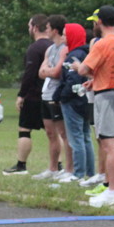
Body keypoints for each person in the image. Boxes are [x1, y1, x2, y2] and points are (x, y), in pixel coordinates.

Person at [71, 5, 114, 207]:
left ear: (99, 22)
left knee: (109, 145)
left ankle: (112, 190)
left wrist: (78, 67)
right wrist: (96, 80)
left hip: (106, 97)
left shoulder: (102, 43)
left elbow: (83, 69)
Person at [3, 15, 52, 175]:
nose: (29, 29)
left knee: (24, 129)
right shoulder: (54, 47)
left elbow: (30, 74)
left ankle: (21, 165)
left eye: (29, 26)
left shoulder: (34, 48)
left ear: (35, 27)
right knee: (53, 132)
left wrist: (21, 95)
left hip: (34, 96)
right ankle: (57, 165)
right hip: (51, 95)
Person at [34, 14, 74, 181]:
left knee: (64, 133)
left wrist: (49, 70)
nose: (46, 30)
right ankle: (52, 168)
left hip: (57, 95)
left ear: (55, 30)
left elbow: (57, 72)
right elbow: (40, 71)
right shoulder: (50, 49)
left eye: (49, 28)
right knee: (50, 133)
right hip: (46, 93)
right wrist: (48, 70)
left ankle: (70, 168)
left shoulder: (65, 48)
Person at [57, 23, 95, 181]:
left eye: (65, 34)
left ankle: (78, 173)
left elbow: (72, 79)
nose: (62, 37)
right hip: (84, 100)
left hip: (73, 101)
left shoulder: (74, 55)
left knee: (76, 138)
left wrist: (62, 96)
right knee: (85, 137)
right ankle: (90, 172)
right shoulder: (85, 53)